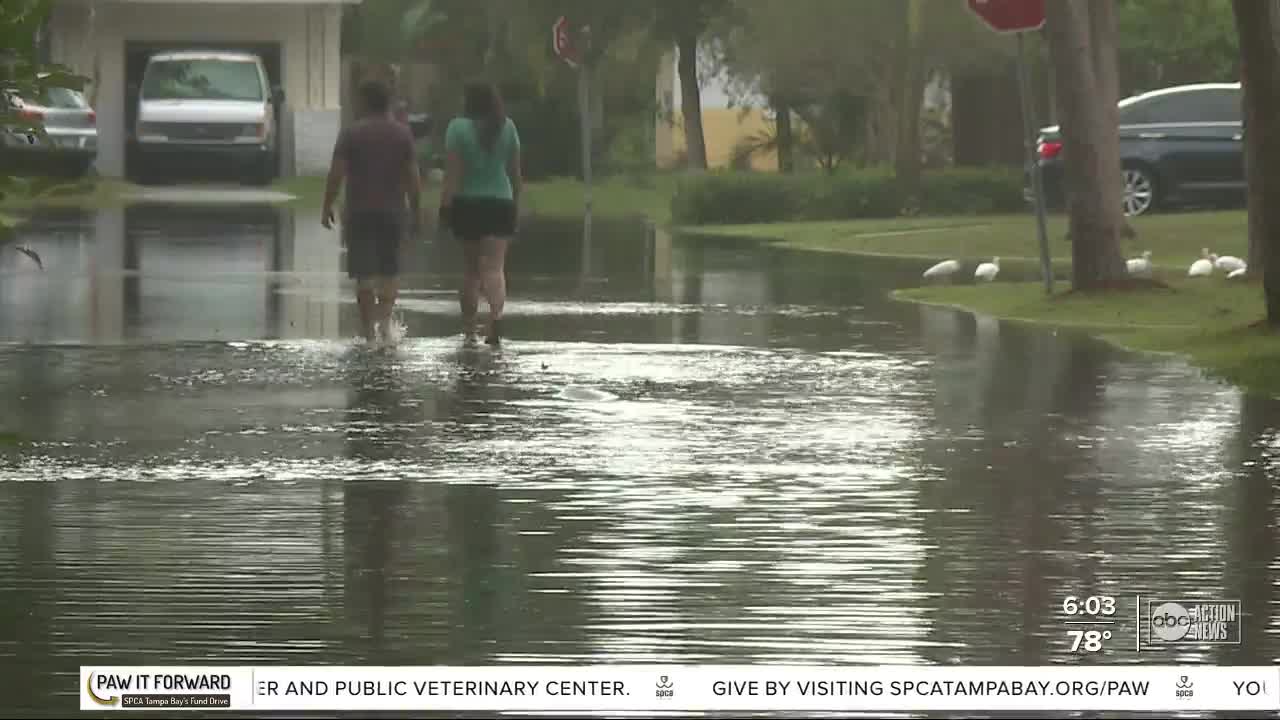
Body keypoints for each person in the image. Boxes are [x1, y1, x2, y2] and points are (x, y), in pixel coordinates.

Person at [321, 80, 422, 344]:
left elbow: (336, 174)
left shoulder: (351, 134)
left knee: (364, 275)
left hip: (359, 212)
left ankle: (368, 334)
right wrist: (417, 211)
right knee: (389, 271)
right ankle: (386, 327)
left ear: (365, 102)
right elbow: (413, 177)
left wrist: (327, 205)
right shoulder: (402, 135)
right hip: (392, 212)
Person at [438, 81, 522, 346]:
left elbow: (452, 175)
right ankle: (496, 318)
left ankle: (469, 330)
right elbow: (516, 175)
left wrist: (445, 208)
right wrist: (515, 205)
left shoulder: (457, 128)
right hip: (501, 203)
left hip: (468, 204)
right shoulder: (507, 127)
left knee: (471, 271)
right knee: (496, 268)